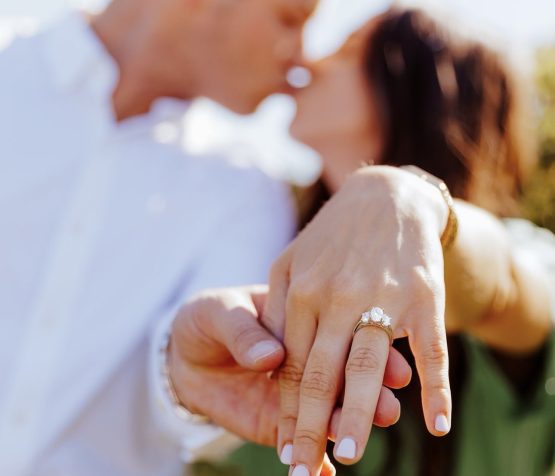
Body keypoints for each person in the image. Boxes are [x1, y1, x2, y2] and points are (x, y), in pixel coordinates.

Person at [0, 0, 412, 475]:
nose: (301, 58)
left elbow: (193, 375)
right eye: (290, 18)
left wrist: (190, 371)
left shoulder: (248, 188)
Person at [182, 7, 555, 476]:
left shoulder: (523, 250)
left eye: (348, 51)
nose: (312, 63)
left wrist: (408, 199)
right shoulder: (267, 257)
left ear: (414, 92)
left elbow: (502, 286)